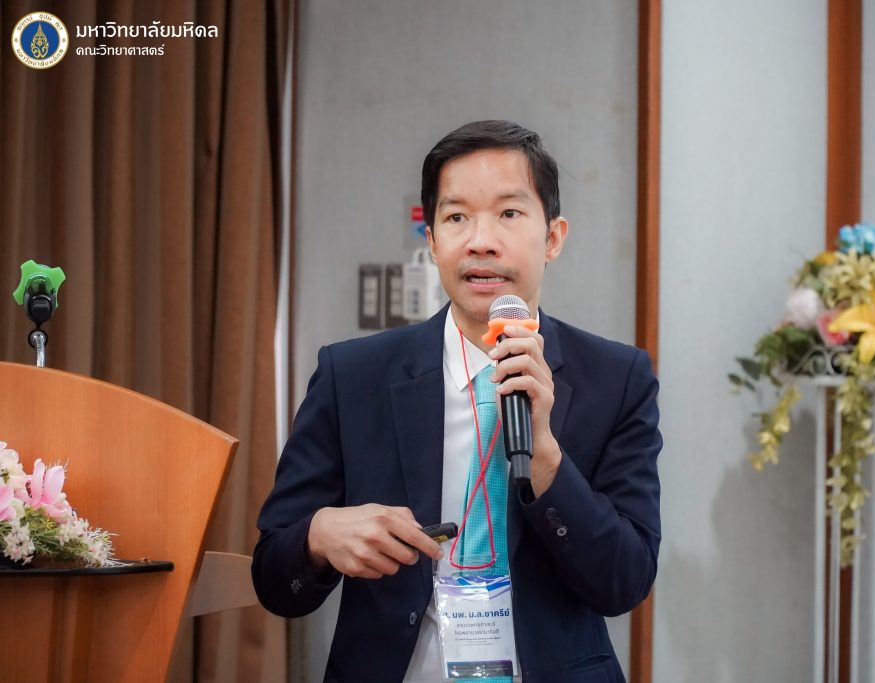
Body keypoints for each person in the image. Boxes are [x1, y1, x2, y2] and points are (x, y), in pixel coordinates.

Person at [252, 120, 662, 682]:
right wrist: (318, 538)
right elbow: (275, 581)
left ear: (553, 238)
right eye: (456, 217)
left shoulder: (617, 379)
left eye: (509, 213)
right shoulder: (352, 376)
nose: (480, 240)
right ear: (433, 241)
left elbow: (625, 582)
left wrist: (546, 459)